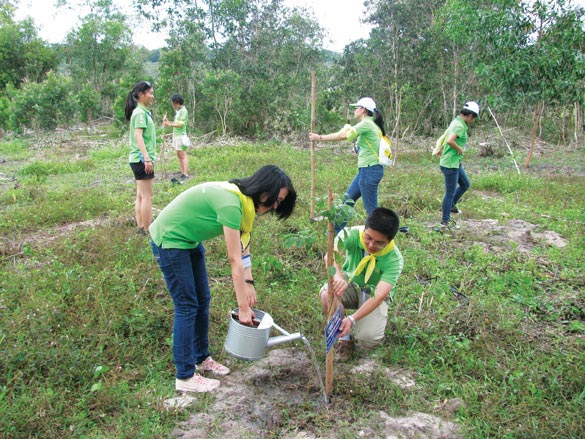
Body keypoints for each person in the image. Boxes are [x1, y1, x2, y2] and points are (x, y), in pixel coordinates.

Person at [149, 165, 297, 393]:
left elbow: (243, 245)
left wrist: (249, 283)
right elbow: (234, 259)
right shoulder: (232, 203)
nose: (274, 206)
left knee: (202, 299)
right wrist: (243, 308)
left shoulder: (244, 205)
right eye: (275, 200)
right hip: (170, 240)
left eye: (279, 203)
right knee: (187, 305)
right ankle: (185, 377)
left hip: (189, 240)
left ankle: (201, 358)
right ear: (264, 189)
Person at [320, 207, 403, 360]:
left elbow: (378, 296)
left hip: (373, 295)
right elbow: (330, 256)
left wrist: (352, 319)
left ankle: (364, 326)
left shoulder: (394, 259)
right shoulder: (350, 234)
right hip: (351, 283)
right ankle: (343, 339)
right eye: (368, 238)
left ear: (389, 241)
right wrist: (337, 276)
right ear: (364, 229)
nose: (371, 245)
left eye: (379, 243)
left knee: (367, 340)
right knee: (327, 294)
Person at [309, 97, 386, 232]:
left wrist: (319, 138)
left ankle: (382, 237)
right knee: (347, 201)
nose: (354, 110)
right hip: (365, 171)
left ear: (363, 110)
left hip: (370, 170)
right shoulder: (371, 124)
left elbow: (343, 136)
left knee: (372, 211)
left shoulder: (367, 124)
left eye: (356, 108)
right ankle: (334, 234)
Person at [436, 101, 479, 231]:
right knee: (449, 192)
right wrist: (459, 149)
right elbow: (450, 140)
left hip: (454, 162)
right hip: (450, 164)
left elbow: (446, 136)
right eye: (474, 118)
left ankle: (451, 205)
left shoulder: (456, 122)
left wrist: (440, 148)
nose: (473, 120)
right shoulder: (459, 126)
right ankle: (445, 221)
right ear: (471, 116)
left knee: (465, 184)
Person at [125, 81, 156, 235]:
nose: (152, 96)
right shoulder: (140, 113)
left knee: (140, 195)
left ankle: (140, 226)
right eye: (150, 93)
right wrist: (147, 158)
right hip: (141, 160)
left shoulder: (141, 112)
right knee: (147, 196)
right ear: (141, 94)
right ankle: (147, 229)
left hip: (138, 159)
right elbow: (138, 136)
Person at [163, 94, 190, 181]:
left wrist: (170, 124)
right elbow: (176, 123)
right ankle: (182, 172)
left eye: (174, 103)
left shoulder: (183, 111)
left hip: (181, 136)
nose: (173, 106)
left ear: (177, 103)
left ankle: (185, 174)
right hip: (176, 135)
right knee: (179, 154)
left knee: (182, 154)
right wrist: (168, 122)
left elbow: (181, 124)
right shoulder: (178, 111)